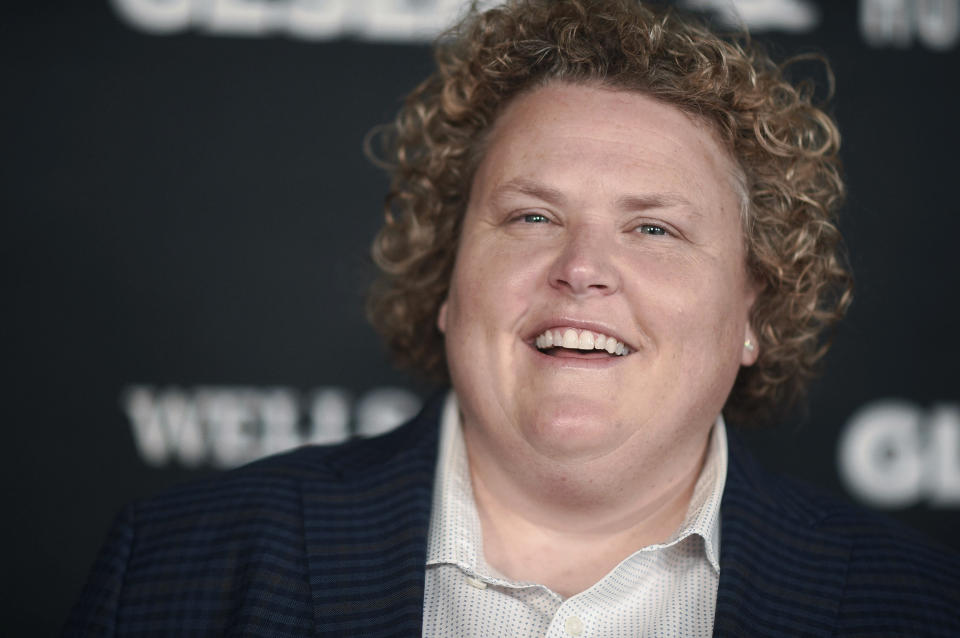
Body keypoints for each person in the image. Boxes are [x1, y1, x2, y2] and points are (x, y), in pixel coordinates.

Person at [67, 0, 960, 636]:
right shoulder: (179, 567)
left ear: (753, 312)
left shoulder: (917, 607)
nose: (581, 270)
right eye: (531, 216)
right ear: (448, 281)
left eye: (653, 228)